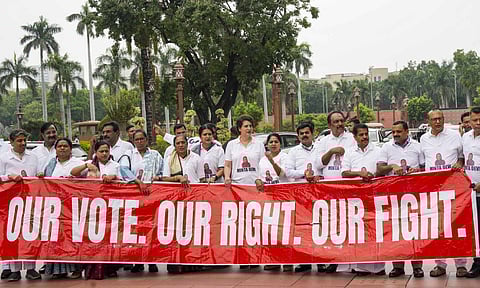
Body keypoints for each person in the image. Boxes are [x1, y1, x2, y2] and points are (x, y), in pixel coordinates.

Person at [420, 110, 467, 277]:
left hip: (454, 189)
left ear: (444, 119)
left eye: (440, 118)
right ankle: (440, 264)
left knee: (456, 226)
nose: (437, 121)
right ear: (429, 121)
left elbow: (462, 158)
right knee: (438, 228)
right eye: (434, 119)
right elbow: (421, 164)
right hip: (434, 190)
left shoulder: (455, 136)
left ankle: (461, 264)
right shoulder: (423, 139)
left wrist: (459, 163)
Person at [376, 120, 425, 278]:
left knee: (415, 231)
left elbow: (425, 168)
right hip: (393, 195)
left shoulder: (418, 146)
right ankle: (398, 266)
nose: (395, 134)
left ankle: (417, 266)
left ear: (406, 132)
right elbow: (379, 169)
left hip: (414, 195)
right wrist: (392, 167)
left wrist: (417, 170)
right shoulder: (386, 147)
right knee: (395, 231)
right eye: (393, 132)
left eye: (399, 131)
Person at [71, 140, 121, 280]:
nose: (104, 154)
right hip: (91, 210)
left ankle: (109, 269)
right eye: (101, 151)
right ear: (96, 152)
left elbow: (124, 181)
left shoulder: (115, 166)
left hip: (110, 209)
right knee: (91, 239)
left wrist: (113, 177)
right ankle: (90, 269)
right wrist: (88, 165)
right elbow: (73, 173)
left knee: (108, 239)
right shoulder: (89, 164)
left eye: (106, 151)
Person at [312, 111, 355, 273]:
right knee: (332, 225)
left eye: (341, 121)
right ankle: (334, 259)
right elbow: (317, 164)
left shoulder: (351, 139)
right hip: (329, 189)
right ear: (329, 125)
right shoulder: (323, 141)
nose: (339, 124)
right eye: (335, 122)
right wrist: (331, 152)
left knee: (349, 223)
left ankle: (351, 258)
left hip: (349, 188)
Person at [341, 123, 384, 275]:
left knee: (375, 230)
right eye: (361, 135)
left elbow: (382, 171)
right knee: (358, 231)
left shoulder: (378, 150)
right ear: (355, 137)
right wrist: (360, 174)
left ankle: (378, 267)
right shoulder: (349, 153)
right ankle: (360, 266)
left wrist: (374, 175)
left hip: (375, 196)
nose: (364, 137)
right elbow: (344, 173)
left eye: (366, 134)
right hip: (356, 198)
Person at [224, 115, 265, 270]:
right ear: (239, 128)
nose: (249, 129)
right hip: (237, 189)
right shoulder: (232, 145)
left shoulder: (258, 144)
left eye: (250, 126)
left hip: (255, 188)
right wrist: (227, 178)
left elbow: (263, 164)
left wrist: (260, 179)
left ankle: (255, 256)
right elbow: (227, 165)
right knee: (240, 223)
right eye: (246, 126)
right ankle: (243, 256)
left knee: (255, 222)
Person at [0, 129, 42, 281]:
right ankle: (14, 269)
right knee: (13, 235)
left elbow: (39, 175)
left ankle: (31, 268)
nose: (22, 143)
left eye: (24, 140)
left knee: (30, 233)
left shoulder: (33, 157)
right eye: (19, 141)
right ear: (11, 142)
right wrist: (8, 177)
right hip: (10, 202)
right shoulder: (4, 158)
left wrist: (40, 176)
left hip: (30, 201)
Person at [120, 129, 163, 273]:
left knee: (151, 229)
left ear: (146, 139)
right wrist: (138, 182)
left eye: (141, 139)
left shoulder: (156, 155)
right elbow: (124, 170)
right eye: (136, 139)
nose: (139, 142)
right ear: (133, 141)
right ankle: (138, 262)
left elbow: (163, 172)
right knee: (136, 230)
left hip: (152, 197)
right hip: (134, 198)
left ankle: (152, 261)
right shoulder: (129, 155)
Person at [43, 138, 84, 279]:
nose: (62, 148)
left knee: (73, 238)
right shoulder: (51, 165)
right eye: (59, 146)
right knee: (55, 238)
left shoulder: (78, 164)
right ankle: (58, 270)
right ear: (55, 149)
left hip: (73, 208)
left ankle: (76, 268)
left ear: (70, 148)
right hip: (54, 208)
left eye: (65, 146)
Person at [161, 134, 202, 273]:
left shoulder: (196, 158)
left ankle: (193, 262)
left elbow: (201, 179)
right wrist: (178, 178)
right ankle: (175, 262)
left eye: (183, 142)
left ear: (187, 144)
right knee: (177, 231)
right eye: (177, 143)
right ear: (174, 145)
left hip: (194, 198)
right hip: (176, 200)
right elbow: (165, 178)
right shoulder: (169, 160)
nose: (180, 145)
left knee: (193, 230)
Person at [284, 121, 322, 273]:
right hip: (301, 194)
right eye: (301, 133)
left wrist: (318, 176)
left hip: (319, 193)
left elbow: (324, 166)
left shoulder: (320, 149)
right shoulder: (293, 152)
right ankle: (304, 260)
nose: (304, 135)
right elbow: (288, 172)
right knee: (303, 227)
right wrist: (303, 174)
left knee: (320, 226)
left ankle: (321, 260)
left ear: (312, 133)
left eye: (307, 132)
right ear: (298, 136)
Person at [257, 133, 292, 272]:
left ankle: (288, 261)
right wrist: (257, 180)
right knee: (270, 229)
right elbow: (260, 177)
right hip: (268, 198)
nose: (273, 144)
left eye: (276, 142)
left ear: (280, 144)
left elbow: (282, 174)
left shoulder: (285, 157)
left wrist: (272, 161)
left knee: (284, 229)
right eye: (270, 142)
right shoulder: (262, 160)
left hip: (283, 197)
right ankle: (274, 259)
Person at [461, 107, 480, 278]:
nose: (478, 123)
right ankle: (477, 263)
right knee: (475, 231)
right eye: (475, 120)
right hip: (471, 194)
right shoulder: (465, 138)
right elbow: (462, 159)